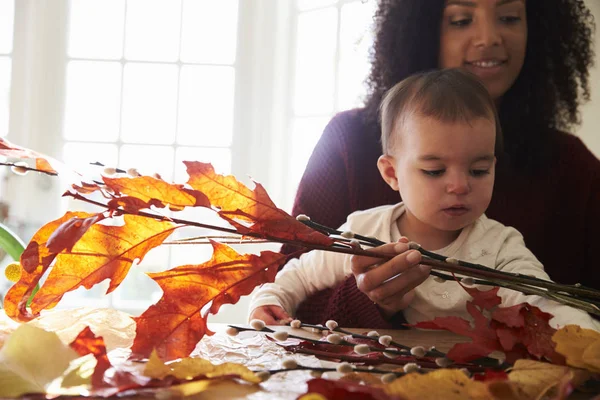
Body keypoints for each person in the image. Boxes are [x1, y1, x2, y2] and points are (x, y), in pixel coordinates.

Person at [279, 0, 599, 328]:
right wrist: (368, 299)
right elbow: (289, 298)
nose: (489, 37)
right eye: (461, 20)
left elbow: (547, 306)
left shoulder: (568, 169)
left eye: (508, 17)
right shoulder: (348, 151)